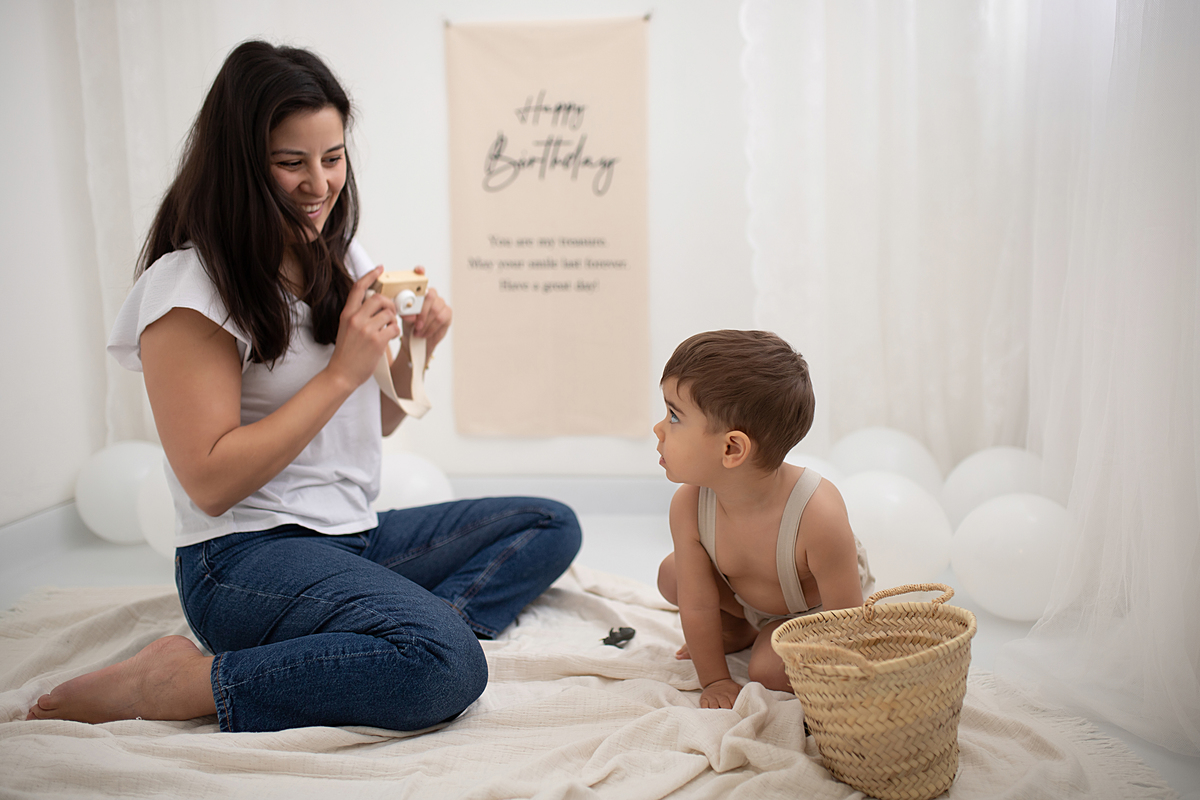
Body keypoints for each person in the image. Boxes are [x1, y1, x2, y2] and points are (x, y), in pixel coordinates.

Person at [25, 41, 581, 733]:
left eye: (333, 157)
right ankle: (181, 680)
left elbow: (376, 423)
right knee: (448, 665)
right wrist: (342, 369)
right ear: (240, 164)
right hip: (243, 557)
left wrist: (418, 348)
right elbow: (210, 483)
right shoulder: (188, 289)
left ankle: (375, 641)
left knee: (550, 524)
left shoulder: (338, 254)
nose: (319, 184)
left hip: (352, 533)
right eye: (291, 162)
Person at [653, 330, 873, 709]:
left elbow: (846, 624)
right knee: (672, 575)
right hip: (748, 600)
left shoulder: (816, 513)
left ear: (732, 448)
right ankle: (742, 628)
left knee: (768, 670)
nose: (658, 428)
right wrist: (715, 679)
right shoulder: (688, 505)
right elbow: (697, 603)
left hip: (818, 614)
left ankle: (763, 638)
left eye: (674, 416)